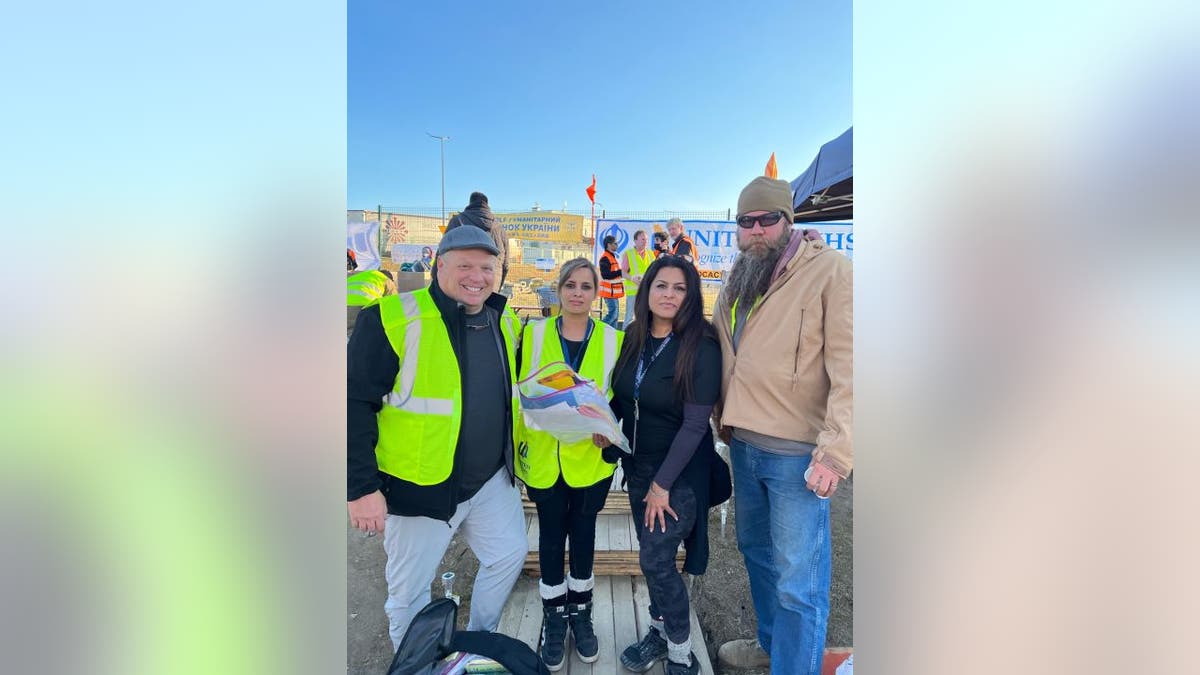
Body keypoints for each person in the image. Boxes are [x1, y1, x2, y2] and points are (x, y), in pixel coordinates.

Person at [346, 226, 528, 650]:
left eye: (488, 267)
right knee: (408, 595)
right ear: (439, 265)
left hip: (488, 482)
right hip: (419, 491)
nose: (477, 277)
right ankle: (416, 661)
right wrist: (361, 488)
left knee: (508, 554)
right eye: (464, 265)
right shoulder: (392, 319)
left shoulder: (507, 319)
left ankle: (478, 643)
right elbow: (353, 403)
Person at [712, 176, 853, 675]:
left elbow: (852, 366)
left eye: (766, 219)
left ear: (788, 222)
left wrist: (836, 451)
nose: (755, 230)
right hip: (744, 447)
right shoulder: (739, 281)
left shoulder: (830, 272)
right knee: (757, 554)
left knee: (799, 581)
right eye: (745, 222)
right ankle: (774, 646)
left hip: (799, 454)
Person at [597, 255, 723, 675]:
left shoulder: (701, 345)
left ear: (690, 296)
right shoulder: (635, 335)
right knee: (654, 557)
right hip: (638, 466)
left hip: (679, 472)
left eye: (679, 288)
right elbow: (623, 395)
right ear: (647, 290)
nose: (669, 295)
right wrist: (604, 424)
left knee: (655, 560)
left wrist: (662, 484)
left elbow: (693, 425)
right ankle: (658, 629)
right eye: (661, 286)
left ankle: (681, 654)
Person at [516, 258, 624, 670]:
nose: (577, 293)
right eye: (570, 285)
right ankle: (553, 614)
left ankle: (581, 610)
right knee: (549, 536)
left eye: (585, 286)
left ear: (596, 293)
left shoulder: (613, 339)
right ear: (558, 290)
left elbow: (618, 399)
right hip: (545, 456)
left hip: (589, 461)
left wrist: (608, 428)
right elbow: (520, 388)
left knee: (583, 534)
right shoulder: (535, 333)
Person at [445, 191, 511, 288]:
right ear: (487, 205)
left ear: (470, 203)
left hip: (462, 286)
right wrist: (498, 285)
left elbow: (442, 254)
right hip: (491, 285)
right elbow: (505, 265)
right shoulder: (500, 229)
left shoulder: (457, 222)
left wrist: (436, 279)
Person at [620, 229, 655, 329]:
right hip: (633, 292)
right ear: (635, 240)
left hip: (648, 291)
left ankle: (642, 340)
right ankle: (625, 341)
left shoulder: (650, 253)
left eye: (646, 240)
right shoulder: (629, 254)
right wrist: (632, 279)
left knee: (647, 317)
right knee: (630, 318)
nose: (645, 242)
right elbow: (623, 272)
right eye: (643, 239)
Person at [597, 234, 624, 328]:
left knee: (615, 316)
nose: (617, 245)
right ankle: (597, 330)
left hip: (613, 292)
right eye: (615, 243)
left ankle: (613, 336)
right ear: (609, 245)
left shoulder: (612, 257)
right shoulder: (605, 258)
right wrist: (620, 272)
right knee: (612, 315)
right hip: (608, 292)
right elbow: (606, 275)